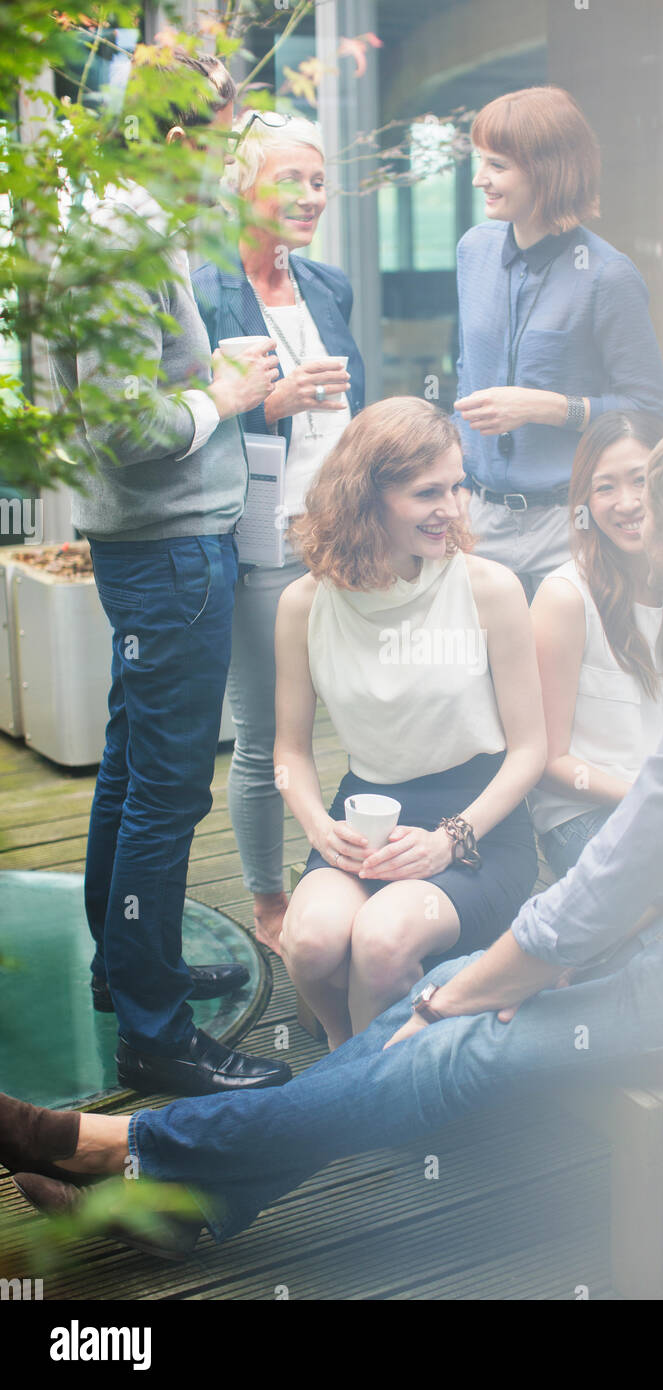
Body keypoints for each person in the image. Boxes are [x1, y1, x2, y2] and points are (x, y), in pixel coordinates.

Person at [0, 423, 663, 1262]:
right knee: (441, 993)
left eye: (649, 506)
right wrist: (502, 968)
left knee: (454, 1031)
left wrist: (493, 974)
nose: (631, 522)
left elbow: (626, 864)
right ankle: (190, 1196)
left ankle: (120, 1146)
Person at [47, 50, 293, 1097]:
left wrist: (207, 383)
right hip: (169, 550)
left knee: (131, 760)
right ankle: (156, 1030)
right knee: (164, 791)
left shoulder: (112, 222)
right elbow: (125, 426)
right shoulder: (123, 236)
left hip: (150, 549)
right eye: (233, 137)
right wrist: (225, 398)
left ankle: (124, 965)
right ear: (187, 137)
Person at [273, 396, 544, 1046]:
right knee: (308, 943)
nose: (452, 508)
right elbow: (289, 753)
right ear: (367, 499)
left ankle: (359, 1097)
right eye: (429, 493)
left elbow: (531, 750)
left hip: (479, 823)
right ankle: (349, 1054)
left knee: (382, 942)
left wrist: (451, 838)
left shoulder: (490, 588)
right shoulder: (303, 604)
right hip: (364, 818)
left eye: (459, 486)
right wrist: (320, 828)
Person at [192, 111, 365, 957]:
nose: (311, 196)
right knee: (265, 733)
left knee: (357, 711)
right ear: (241, 187)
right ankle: (268, 904)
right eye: (290, 179)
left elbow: (357, 409)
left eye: (320, 180)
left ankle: (348, 865)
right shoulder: (201, 288)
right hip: (260, 545)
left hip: (344, 539)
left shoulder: (329, 287)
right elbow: (185, 432)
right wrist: (270, 404)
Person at [453, 86, 663, 600]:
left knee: (563, 680)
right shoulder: (472, 251)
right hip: (476, 521)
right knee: (479, 678)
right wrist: (453, 488)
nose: (480, 178)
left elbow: (647, 412)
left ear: (547, 171)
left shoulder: (609, 275)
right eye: (482, 162)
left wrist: (547, 407)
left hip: (566, 527)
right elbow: (465, 374)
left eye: (497, 165)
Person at [530, 411, 663, 879]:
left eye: (641, 480)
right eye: (605, 487)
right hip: (585, 816)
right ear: (585, 503)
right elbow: (547, 760)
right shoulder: (565, 597)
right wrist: (648, 795)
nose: (628, 503)